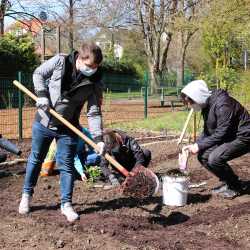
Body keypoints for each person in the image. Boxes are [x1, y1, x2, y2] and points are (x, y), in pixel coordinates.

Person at [18, 42, 105, 222]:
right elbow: (38, 73)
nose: (93, 70)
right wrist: (42, 94)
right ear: (79, 59)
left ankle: (66, 204)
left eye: (96, 67)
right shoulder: (60, 61)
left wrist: (98, 139)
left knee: (66, 165)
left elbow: (94, 111)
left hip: (69, 126)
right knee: (36, 158)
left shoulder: (95, 81)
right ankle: (26, 196)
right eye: (90, 66)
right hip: (44, 121)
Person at [180, 79, 250, 199]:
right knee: (203, 156)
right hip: (230, 135)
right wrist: (195, 145)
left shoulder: (223, 105)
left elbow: (221, 133)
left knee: (214, 158)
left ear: (198, 97)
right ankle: (229, 182)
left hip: (243, 135)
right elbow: (208, 131)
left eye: (190, 102)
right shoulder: (206, 105)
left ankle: (236, 187)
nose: (189, 106)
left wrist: (198, 146)